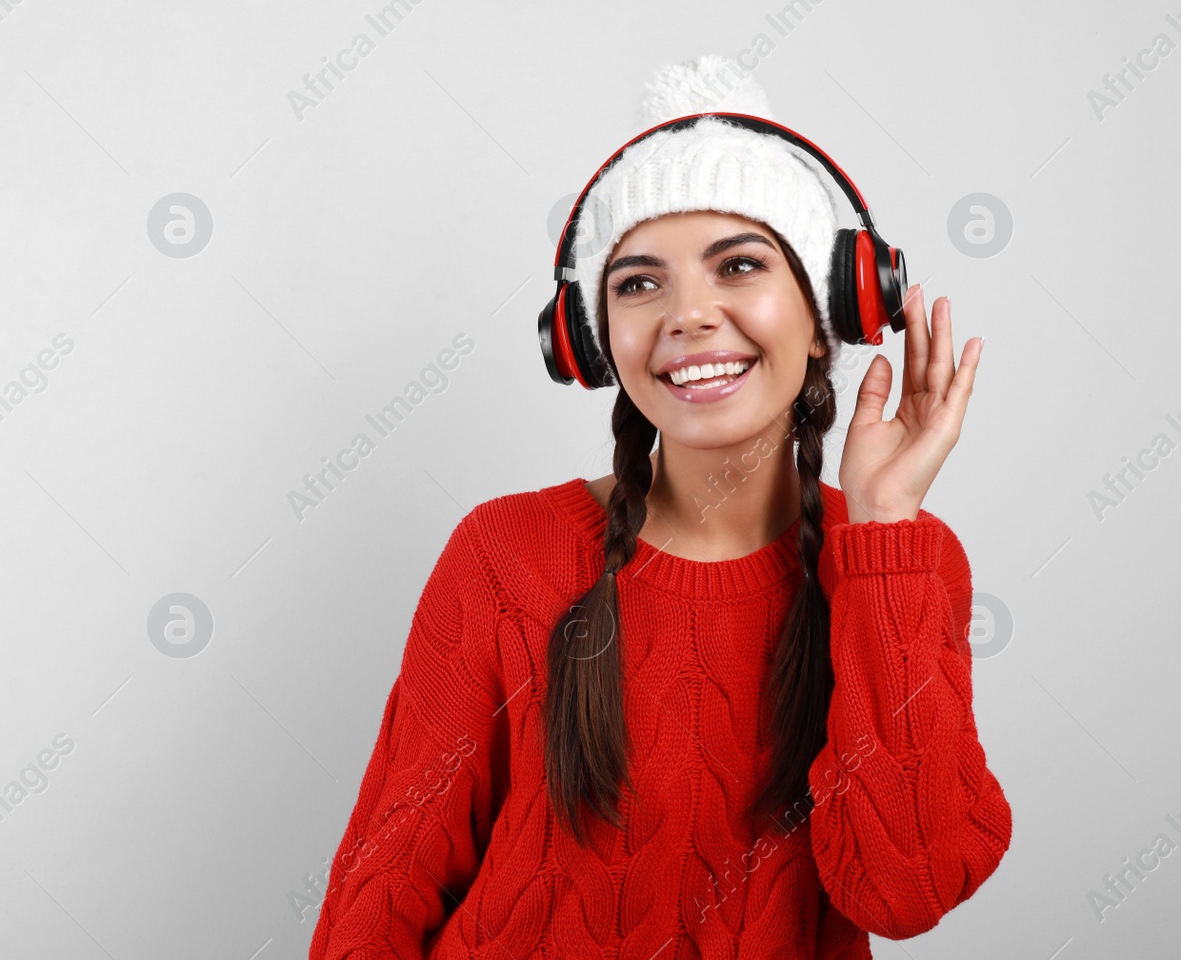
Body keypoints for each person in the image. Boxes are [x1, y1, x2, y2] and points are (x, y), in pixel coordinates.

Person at [307, 54, 1011, 958]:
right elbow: (384, 885)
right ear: (593, 339)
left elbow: (904, 885)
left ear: (829, 307)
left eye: (739, 265)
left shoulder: (903, 562)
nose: (689, 315)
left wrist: (880, 534)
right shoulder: (505, 554)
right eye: (640, 282)